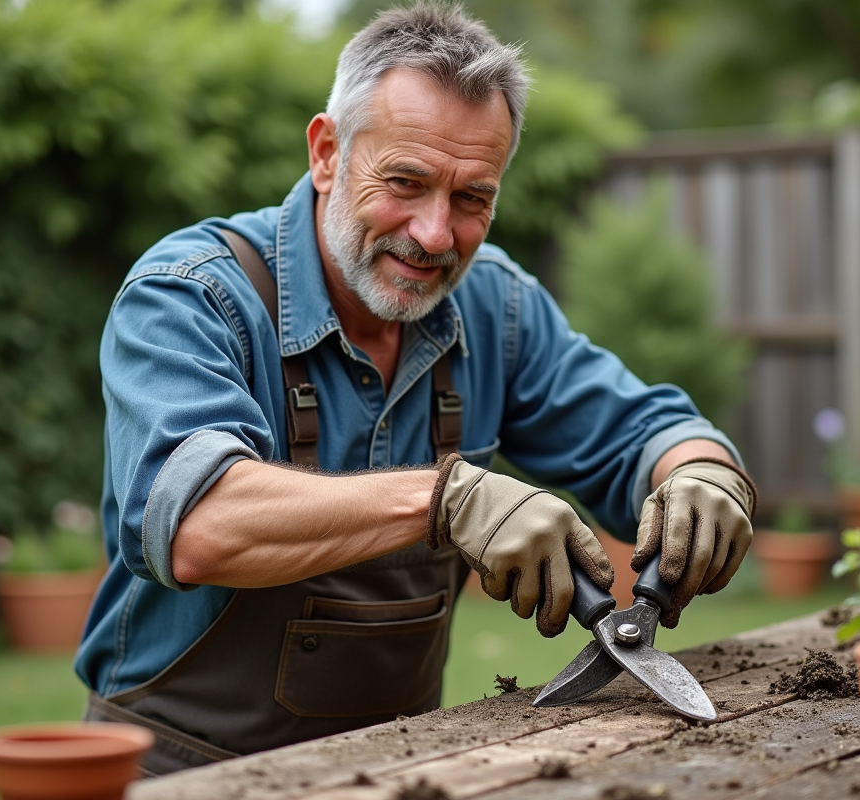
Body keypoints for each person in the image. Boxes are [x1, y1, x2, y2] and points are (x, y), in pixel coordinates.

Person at [75, 1, 756, 776]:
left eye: (473, 198)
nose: (435, 235)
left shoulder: (496, 310)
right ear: (327, 153)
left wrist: (702, 470)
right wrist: (445, 501)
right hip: (178, 764)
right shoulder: (192, 295)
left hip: (399, 763)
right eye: (406, 181)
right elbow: (195, 522)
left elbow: (645, 431)